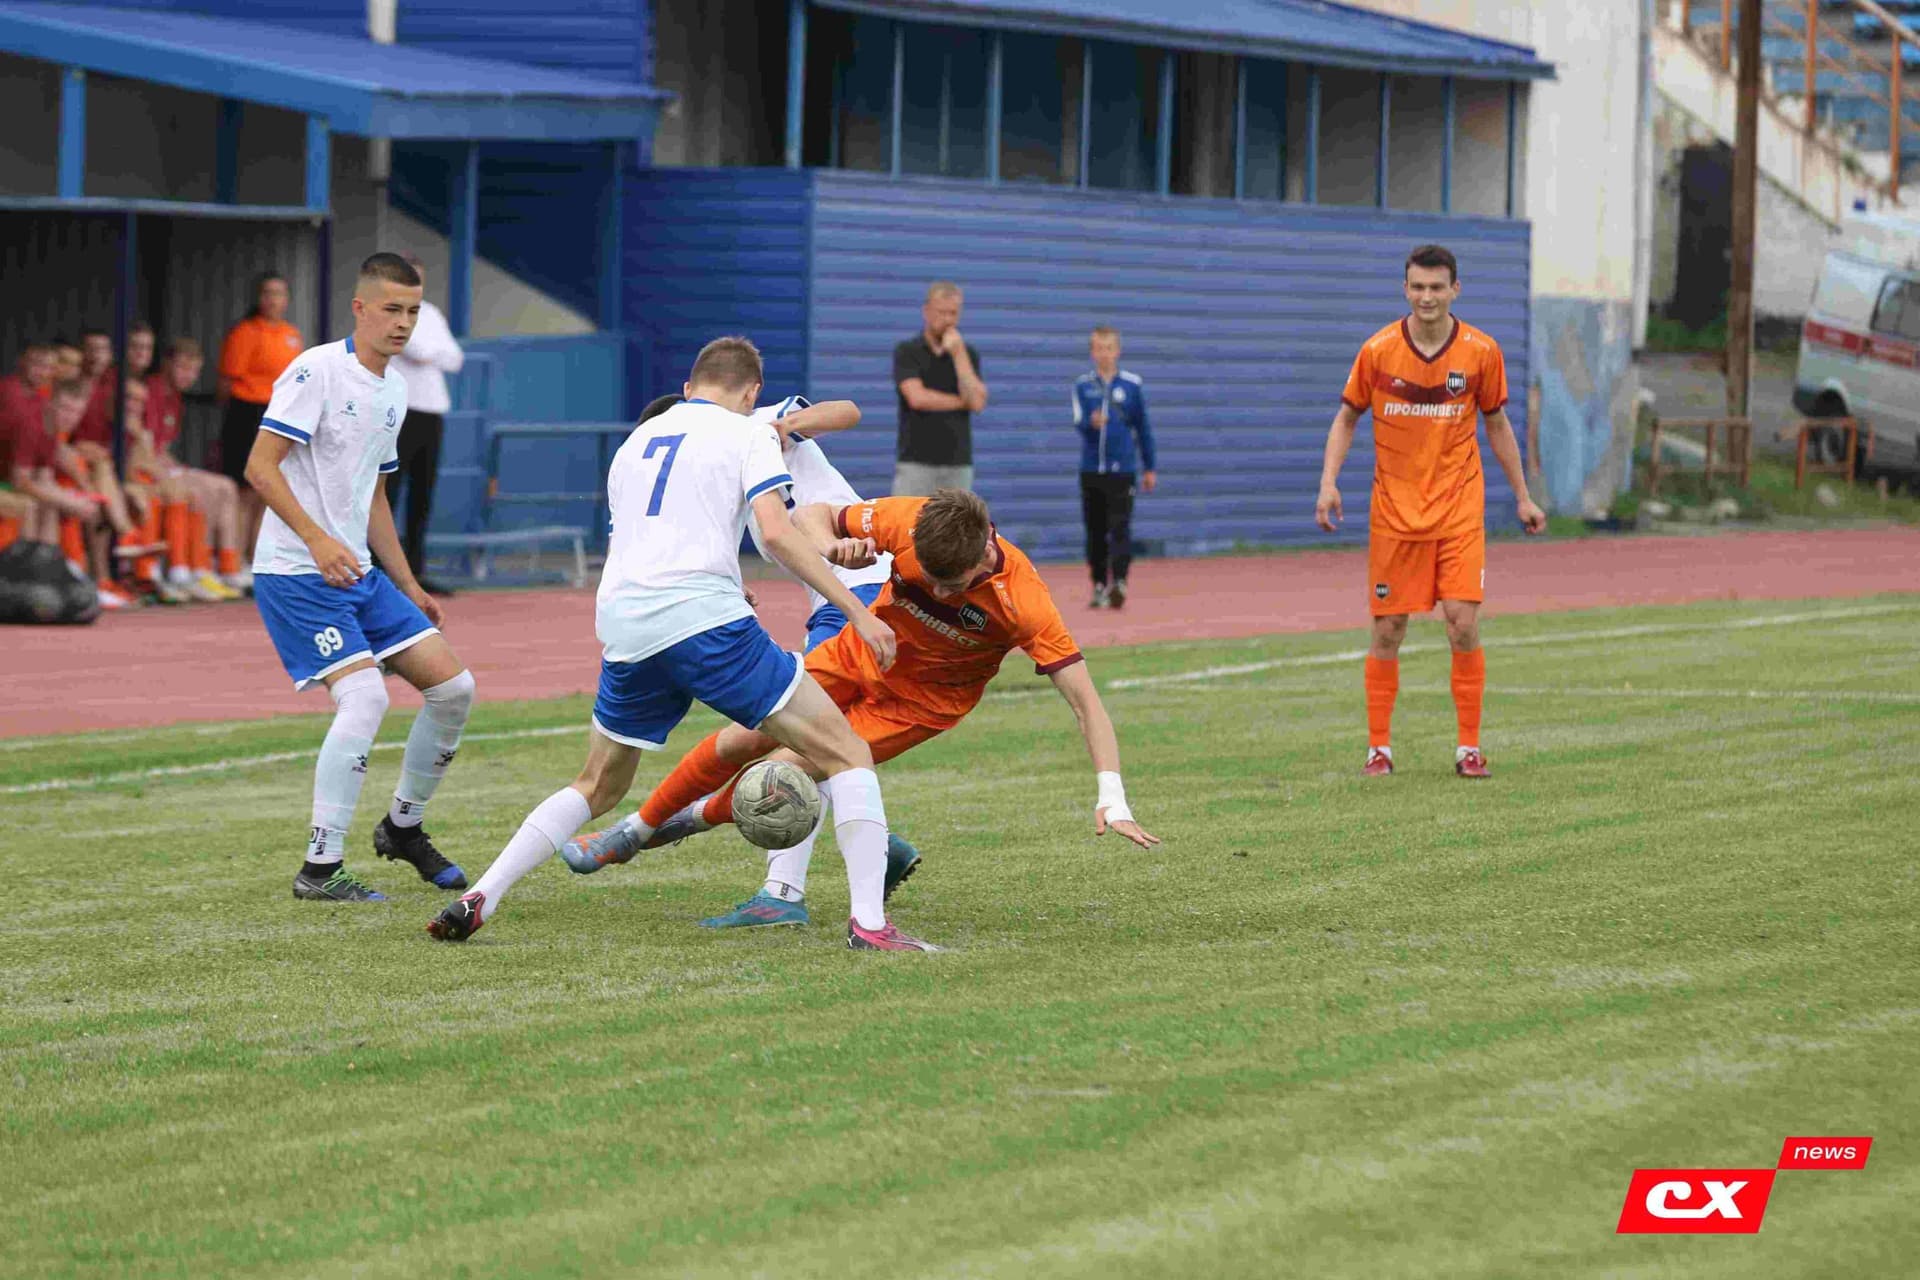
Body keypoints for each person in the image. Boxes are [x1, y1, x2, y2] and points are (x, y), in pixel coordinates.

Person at [428, 336, 939, 953]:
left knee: (597, 784)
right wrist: (859, 612)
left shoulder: (634, 442)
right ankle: (869, 926)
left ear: (690, 386)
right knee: (846, 751)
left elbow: (647, 543)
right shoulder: (748, 429)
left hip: (624, 621)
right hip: (703, 618)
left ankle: (483, 893)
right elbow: (775, 533)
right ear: (751, 392)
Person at [564, 487, 1162, 925]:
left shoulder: (1024, 602)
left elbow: (1085, 702)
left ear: (984, 554)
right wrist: (832, 545)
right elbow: (813, 515)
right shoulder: (909, 519)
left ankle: (681, 823)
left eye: (947, 586)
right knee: (746, 737)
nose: (934, 589)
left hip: (920, 703)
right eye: (923, 576)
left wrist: (1112, 797)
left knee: (789, 776)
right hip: (860, 651)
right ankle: (634, 830)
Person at [245, 253, 475, 902]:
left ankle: (403, 828)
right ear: (360, 307)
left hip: (359, 574)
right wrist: (316, 540)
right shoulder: (316, 369)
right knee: (367, 697)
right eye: (392, 309)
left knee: (455, 689)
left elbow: (374, 494)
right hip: (297, 574)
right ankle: (320, 868)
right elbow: (261, 468)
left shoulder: (396, 389)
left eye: (413, 311)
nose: (403, 323)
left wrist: (407, 582)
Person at [1314, 243, 1546, 780]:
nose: (1427, 297)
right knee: (1389, 629)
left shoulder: (1481, 352)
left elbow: (1497, 423)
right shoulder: (1376, 352)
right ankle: (1379, 749)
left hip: (1460, 508)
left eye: (1437, 287)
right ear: (1405, 289)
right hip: (1394, 512)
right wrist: (1328, 483)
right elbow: (1347, 417)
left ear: (1454, 290)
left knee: (1462, 623)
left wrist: (1523, 494)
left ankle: (1468, 747)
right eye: (1417, 287)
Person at [144, 337, 250, 597]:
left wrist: (182, 469)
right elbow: (145, 450)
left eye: (193, 370)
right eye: (181, 367)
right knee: (203, 491)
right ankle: (197, 566)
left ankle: (227, 566)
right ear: (167, 364)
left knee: (225, 486)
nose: (187, 375)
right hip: (147, 469)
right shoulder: (153, 391)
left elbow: (162, 448)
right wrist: (179, 474)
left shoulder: (175, 399)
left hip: (163, 464)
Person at [385, 253, 464, 593]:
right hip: (401, 411)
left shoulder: (431, 313)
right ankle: (383, 569)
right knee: (390, 491)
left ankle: (415, 570)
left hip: (432, 411)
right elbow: (415, 350)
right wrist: (431, 352)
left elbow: (454, 358)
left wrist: (430, 352)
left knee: (423, 493)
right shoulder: (389, 312)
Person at [1072, 325, 1157, 610]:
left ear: (1117, 351)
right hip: (1092, 470)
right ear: (1092, 352)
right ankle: (1098, 584)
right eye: (1098, 348)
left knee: (1120, 527)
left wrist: (1149, 466)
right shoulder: (1083, 385)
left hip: (1123, 470)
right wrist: (1090, 424)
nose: (1104, 354)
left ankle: (1119, 581)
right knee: (1095, 530)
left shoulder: (1132, 385)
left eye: (1109, 348)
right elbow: (1078, 422)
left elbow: (1143, 428)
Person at [221, 273, 302, 556]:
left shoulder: (291, 335)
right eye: (267, 293)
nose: (273, 299)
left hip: (278, 415)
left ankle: (255, 558)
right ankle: (235, 558)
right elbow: (228, 381)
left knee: (267, 491)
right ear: (258, 298)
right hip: (246, 412)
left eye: (279, 293)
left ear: (287, 299)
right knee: (245, 490)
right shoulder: (246, 332)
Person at [892, 281, 987, 496]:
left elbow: (978, 402)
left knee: (955, 528)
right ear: (926, 312)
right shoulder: (908, 351)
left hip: (958, 462)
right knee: (907, 524)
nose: (946, 320)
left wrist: (959, 355)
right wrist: (962, 402)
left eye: (952, 313)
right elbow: (917, 398)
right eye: (941, 313)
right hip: (916, 461)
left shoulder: (967, 354)